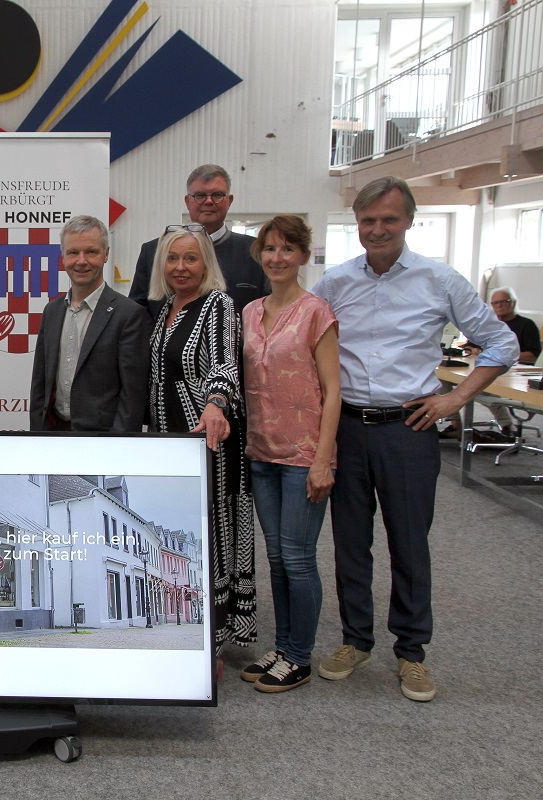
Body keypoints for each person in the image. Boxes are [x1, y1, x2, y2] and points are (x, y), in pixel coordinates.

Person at [312, 176, 518, 702]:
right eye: (368, 221)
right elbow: (304, 341)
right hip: (348, 431)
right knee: (350, 545)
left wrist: (455, 400)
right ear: (356, 225)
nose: (377, 230)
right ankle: (356, 640)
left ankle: (412, 652)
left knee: (409, 544)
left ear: (407, 221)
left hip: (410, 429)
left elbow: (501, 342)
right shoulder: (334, 283)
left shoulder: (439, 279)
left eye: (389, 219)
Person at [238, 215, 340, 693]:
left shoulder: (317, 310)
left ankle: (299, 657)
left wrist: (323, 458)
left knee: (299, 559)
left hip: (303, 454)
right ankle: (283, 647)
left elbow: (333, 390)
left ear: (302, 256)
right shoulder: (251, 311)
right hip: (261, 451)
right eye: (270, 249)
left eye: (287, 249)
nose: (277, 258)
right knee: (277, 558)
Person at [147, 224, 256, 652]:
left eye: (190, 258)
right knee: (188, 529)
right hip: (169, 441)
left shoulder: (218, 305)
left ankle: (216, 636)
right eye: (172, 259)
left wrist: (216, 402)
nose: (180, 267)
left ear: (206, 263)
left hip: (207, 439)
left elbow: (226, 364)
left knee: (213, 532)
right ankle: (195, 635)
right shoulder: (164, 308)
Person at [29, 215, 149, 432]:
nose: (81, 261)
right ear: (63, 256)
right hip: (54, 435)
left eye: (91, 252)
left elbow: (132, 396)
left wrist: (118, 447)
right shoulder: (52, 312)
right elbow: (40, 384)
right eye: (73, 252)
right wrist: (38, 435)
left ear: (106, 254)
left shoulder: (129, 314)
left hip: (103, 443)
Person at [129, 164, 270, 316]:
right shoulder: (152, 252)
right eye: (200, 195)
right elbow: (138, 312)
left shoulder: (256, 251)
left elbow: (270, 308)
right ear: (187, 201)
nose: (209, 201)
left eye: (217, 195)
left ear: (229, 201)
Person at [443, 286, 542, 441]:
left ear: (513, 303)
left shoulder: (526, 325)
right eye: (495, 303)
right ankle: (455, 424)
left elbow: (532, 355)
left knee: (481, 386)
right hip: (483, 366)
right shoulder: (488, 325)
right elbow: (469, 345)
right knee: (442, 379)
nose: (499, 305)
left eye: (504, 301)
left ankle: (507, 426)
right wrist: (473, 349)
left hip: (515, 371)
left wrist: (503, 355)